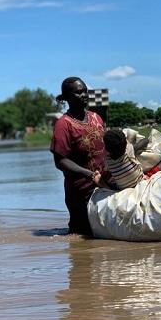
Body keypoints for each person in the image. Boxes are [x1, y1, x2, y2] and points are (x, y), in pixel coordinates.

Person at [50, 77, 113, 236]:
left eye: (85, 91)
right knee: (81, 238)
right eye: (78, 92)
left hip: (104, 185)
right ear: (67, 97)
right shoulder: (63, 125)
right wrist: (89, 175)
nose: (84, 95)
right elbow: (60, 161)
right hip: (81, 192)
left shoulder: (96, 117)